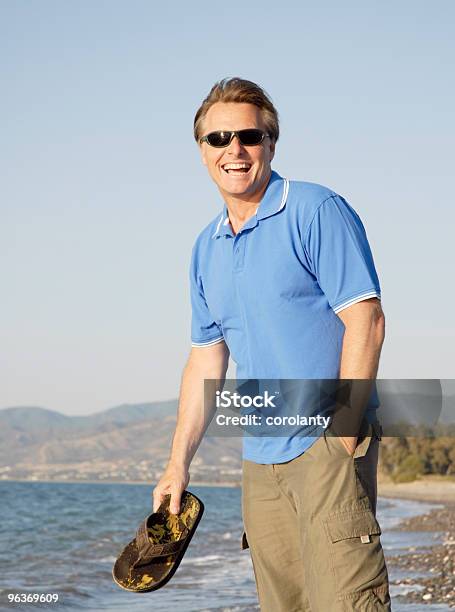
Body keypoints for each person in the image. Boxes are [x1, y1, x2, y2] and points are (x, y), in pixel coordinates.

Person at [153, 77, 391, 611]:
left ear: (271, 144)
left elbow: (367, 320)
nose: (234, 149)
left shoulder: (315, 209)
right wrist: (177, 465)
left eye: (248, 137)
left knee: (348, 601)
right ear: (201, 152)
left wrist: (344, 434)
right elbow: (205, 359)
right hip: (259, 463)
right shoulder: (204, 248)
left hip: (327, 445)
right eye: (218, 139)